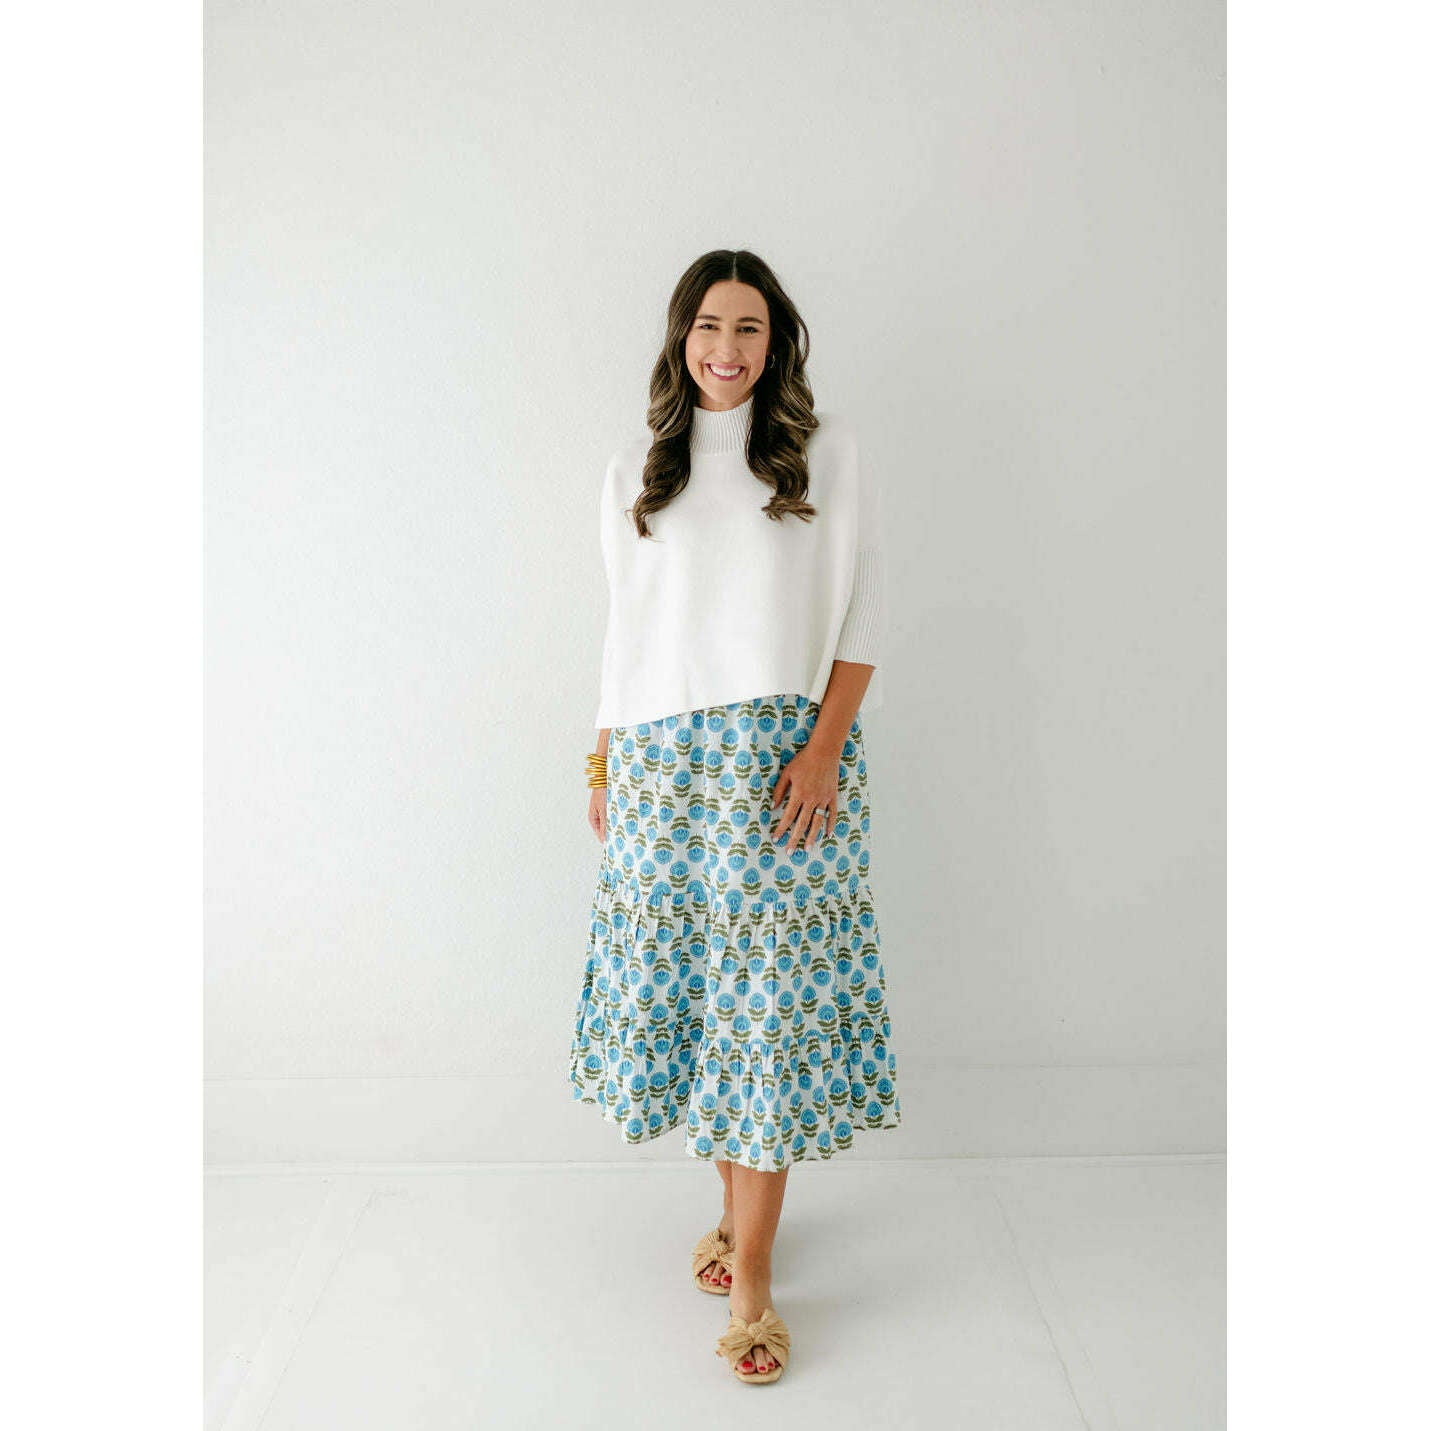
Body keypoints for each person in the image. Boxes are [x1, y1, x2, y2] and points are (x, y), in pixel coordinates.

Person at [567, 249, 902, 1385]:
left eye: (749, 328)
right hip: (659, 769)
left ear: (776, 341)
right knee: (703, 1009)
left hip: (781, 767)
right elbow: (625, 630)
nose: (727, 347)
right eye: (710, 325)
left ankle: (752, 1277)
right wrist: (603, 761)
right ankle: (737, 1219)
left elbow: (863, 608)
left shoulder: (823, 450)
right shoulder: (636, 469)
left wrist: (824, 748)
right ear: (682, 335)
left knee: (767, 1018)